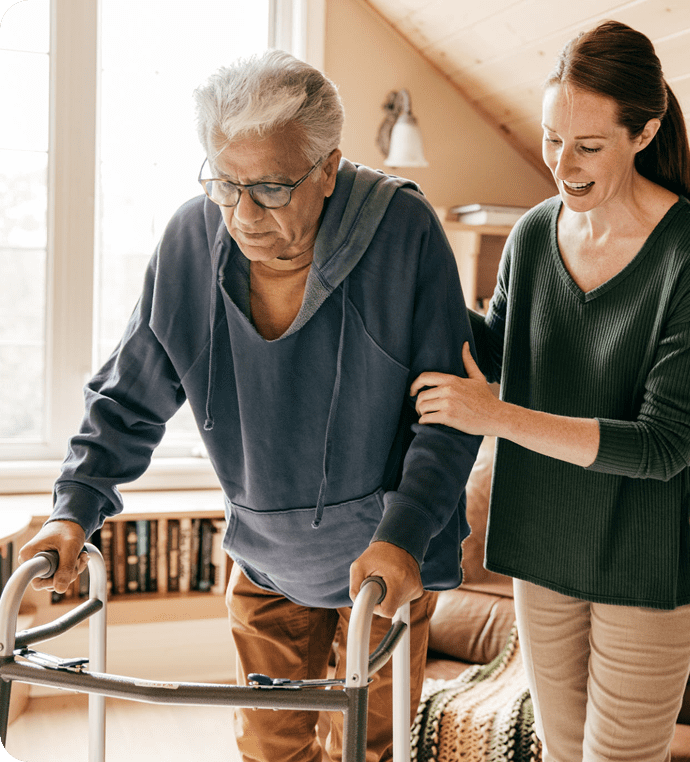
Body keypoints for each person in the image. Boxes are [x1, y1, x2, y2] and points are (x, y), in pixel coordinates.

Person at [20, 50, 480, 762]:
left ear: (327, 168)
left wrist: (406, 532)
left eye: (269, 188)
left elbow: (448, 413)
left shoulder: (403, 234)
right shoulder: (189, 241)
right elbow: (129, 393)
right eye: (224, 183)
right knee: (269, 751)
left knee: (373, 751)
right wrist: (72, 507)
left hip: (387, 563)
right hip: (267, 564)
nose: (241, 214)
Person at [410, 20, 690, 762]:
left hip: (647, 550)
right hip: (543, 535)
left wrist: (496, 415)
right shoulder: (531, 235)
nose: (563, 163)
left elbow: (663, 446)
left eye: (588, 146)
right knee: (559, 754)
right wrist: (404, 291)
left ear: (644, 131)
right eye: (553, 138)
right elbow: (494, 347)